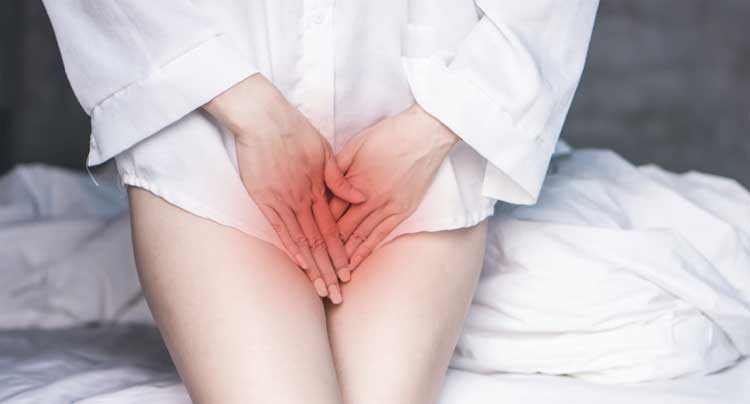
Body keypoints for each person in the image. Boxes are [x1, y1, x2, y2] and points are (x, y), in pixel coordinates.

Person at [42, 1, 599, 403]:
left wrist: (436, 127)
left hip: (417, 131)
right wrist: (253, 113)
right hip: (207, 120)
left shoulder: (425, 137)